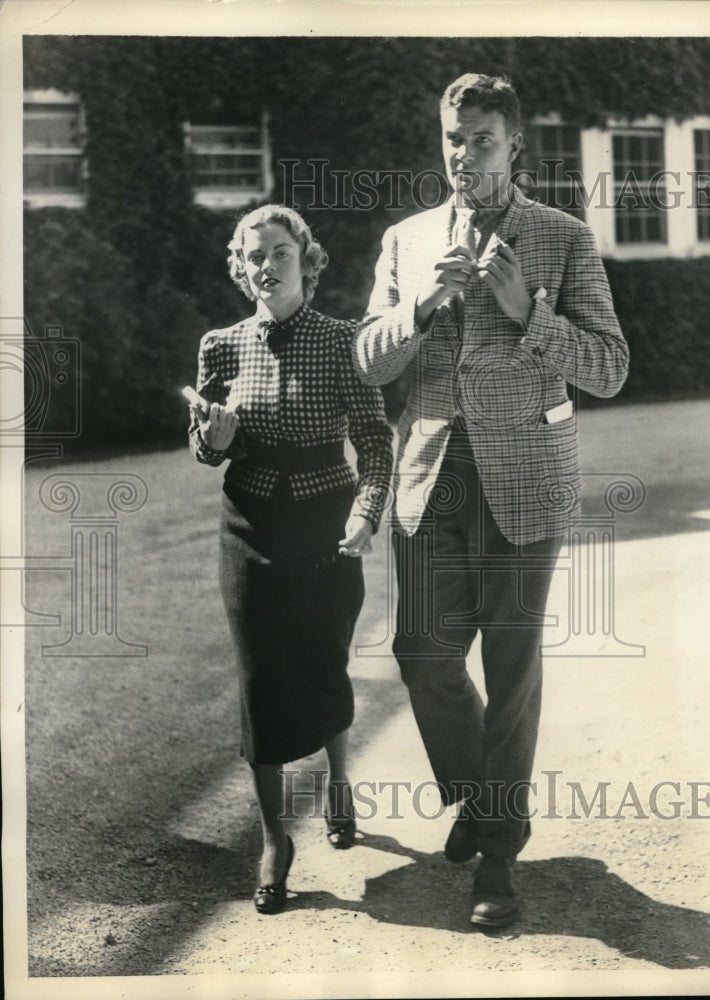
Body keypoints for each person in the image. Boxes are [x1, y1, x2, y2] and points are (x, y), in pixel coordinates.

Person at [353, 73, 629, 929]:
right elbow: (368, 360)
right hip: (430, 473)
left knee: (510, 673)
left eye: (480, 138)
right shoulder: (406, 241)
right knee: (423, 655)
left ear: (513, 145)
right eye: (451, 137)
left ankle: (497, 863)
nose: (462, 153)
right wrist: (420, 307)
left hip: (526, 477)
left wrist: (527, 312)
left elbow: (609, 368)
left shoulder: (561, 238)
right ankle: (483, 801)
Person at [188, 204, 393, 915]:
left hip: (325, 525)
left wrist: (366, 516)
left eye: (279, 251)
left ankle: (339, 781)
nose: (265, 264)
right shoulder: (220, 346)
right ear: (239, 270)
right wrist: (215, 437)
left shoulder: (345, 342)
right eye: (252, 255)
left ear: (307, 259)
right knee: (259, 677)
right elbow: (206, 446)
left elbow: (374, 441)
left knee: (320, 660)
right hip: (246, 525)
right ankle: (275, 838)